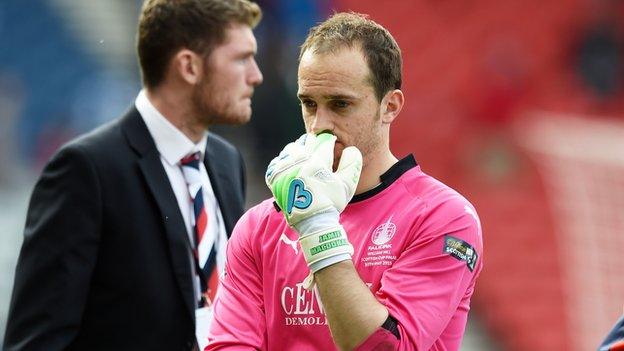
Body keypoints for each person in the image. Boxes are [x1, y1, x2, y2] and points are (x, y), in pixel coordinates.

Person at [207, 12, 483, 351]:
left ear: (390, 106)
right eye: (309, 104)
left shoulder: (443, 218)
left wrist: (318, 229)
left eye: (340, 104)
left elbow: (386, 348)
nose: (320, 124)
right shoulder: (259, 227)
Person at [3, 0, 263, 350]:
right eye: (241, 58)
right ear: (189, 66)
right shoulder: (85, 170)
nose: (255, 75)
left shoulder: (226, 161)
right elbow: (36, 341)